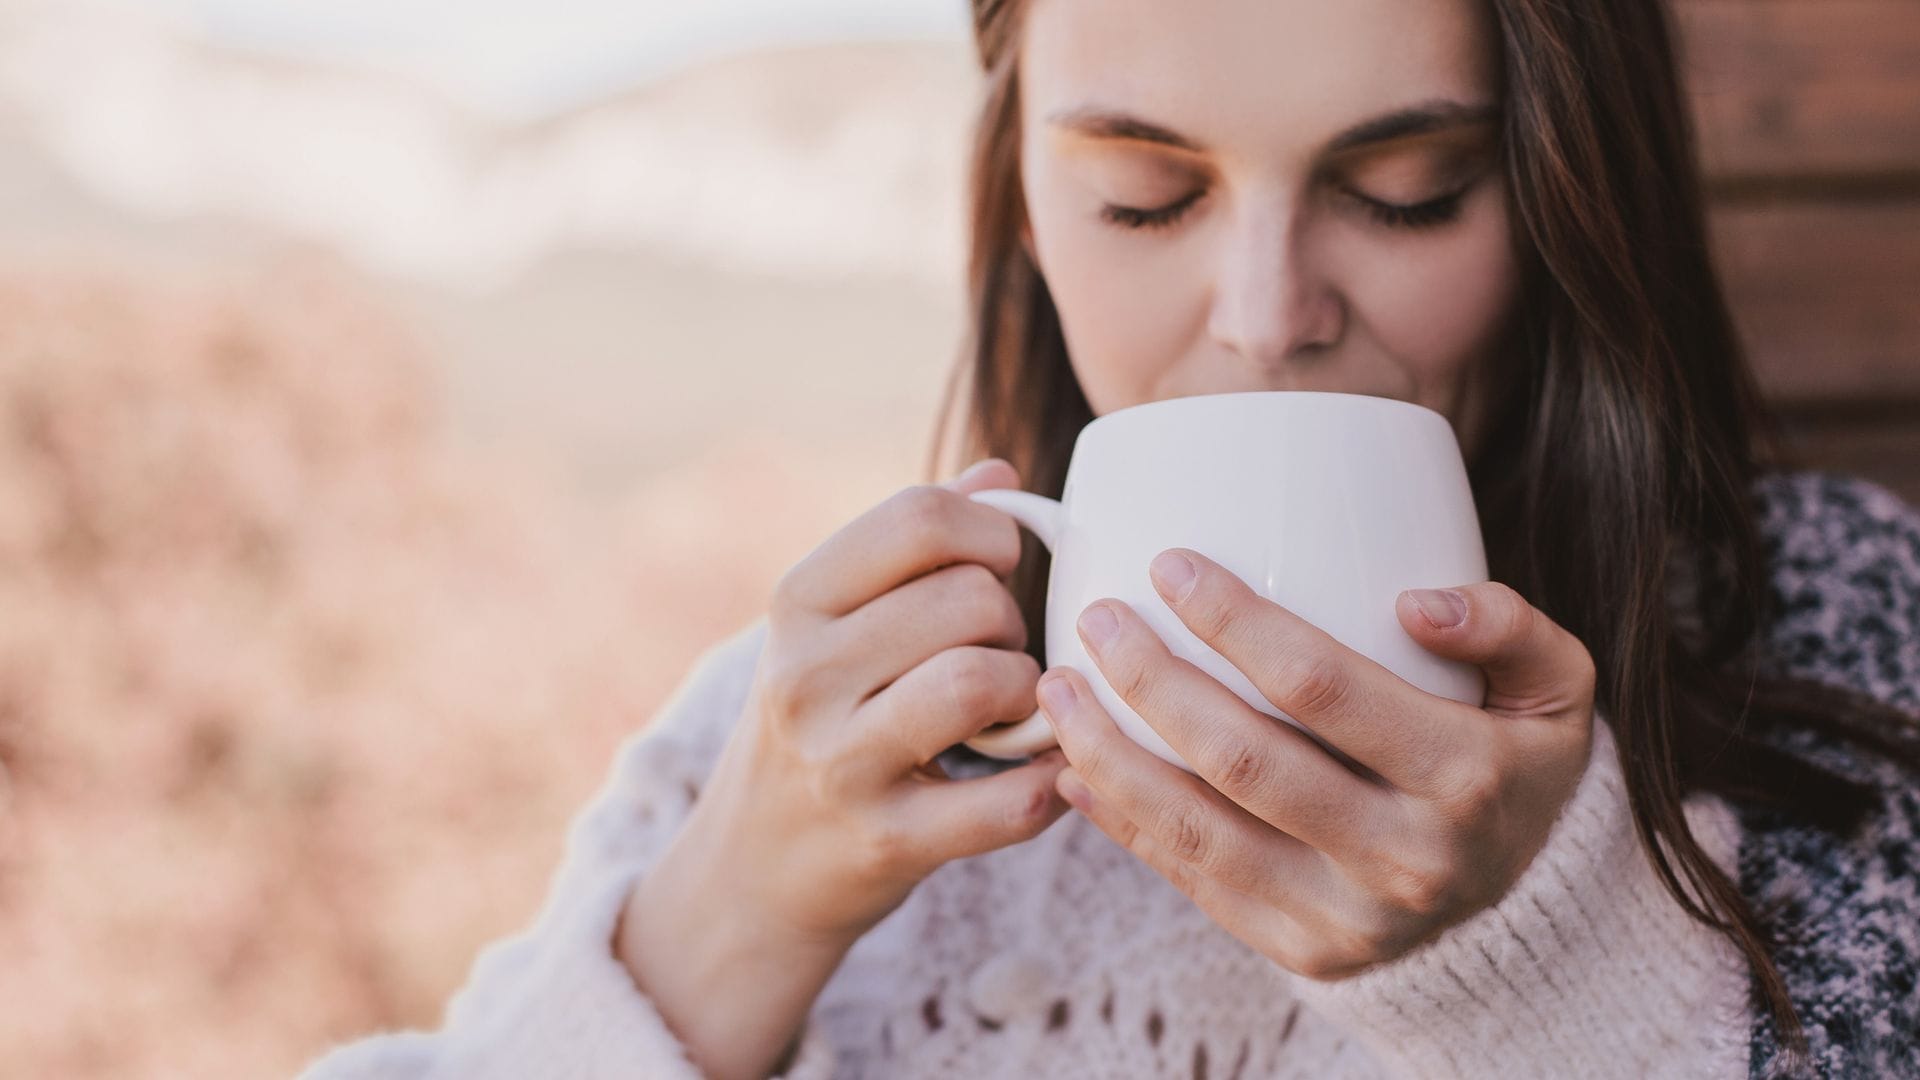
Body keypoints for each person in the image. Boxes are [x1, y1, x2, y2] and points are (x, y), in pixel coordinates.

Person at [299, 0, 1920, 1077]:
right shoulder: (801, 728)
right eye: (1147, 199)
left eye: (1413, 191)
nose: (1269, 315)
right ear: (1021, 203)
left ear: (1577, 189)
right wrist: (728, 916)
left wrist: (1535, 961)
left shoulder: (1841, 628)